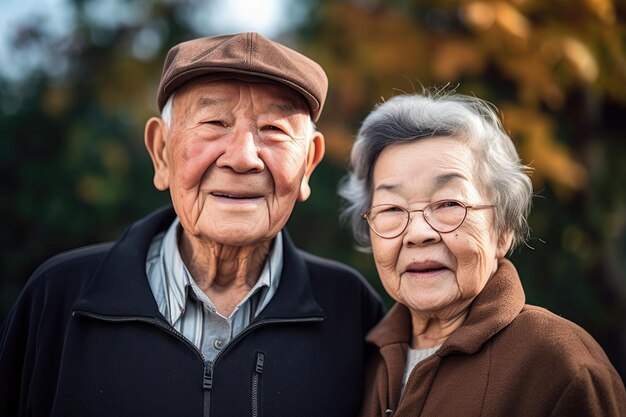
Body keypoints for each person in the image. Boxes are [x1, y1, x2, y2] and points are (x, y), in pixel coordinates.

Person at [0, 32, 384, 417]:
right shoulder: (59, 298)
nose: (243, 158)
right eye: (214, 122)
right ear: (161, 153)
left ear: (309, 165)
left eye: (274, 130)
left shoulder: (352, 312)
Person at [339, 90, 626, 416]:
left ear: (503, 229)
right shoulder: (359, 361)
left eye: (448, 204)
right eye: (391, 208)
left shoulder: (560, 365)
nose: (418, 234)